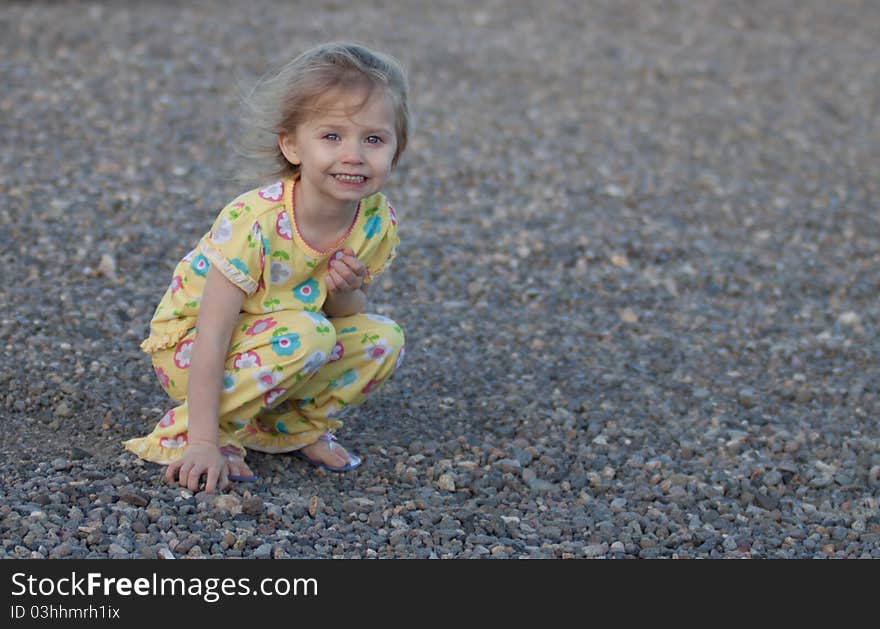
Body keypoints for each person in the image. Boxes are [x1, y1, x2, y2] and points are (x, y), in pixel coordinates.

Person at [124, 42, 409, 493]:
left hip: (283, 337)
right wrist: (203, 441)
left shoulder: (374, 219)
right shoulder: (255, 221)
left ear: (396, 148)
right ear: (292, 145)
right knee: (308, 334)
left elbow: (342, 315)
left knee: (383, 338)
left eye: (373, 139)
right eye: (332, 136)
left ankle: (288, 428)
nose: (354, 154)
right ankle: (213, 427)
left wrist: (346, 289)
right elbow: (214, 331)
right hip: (193, 348)